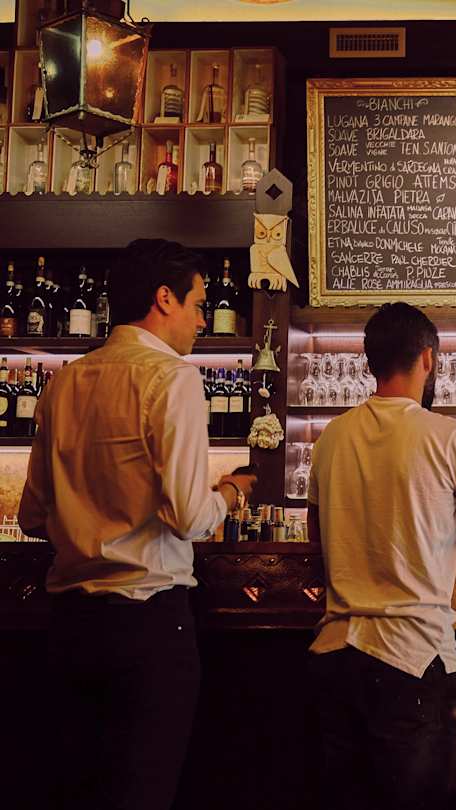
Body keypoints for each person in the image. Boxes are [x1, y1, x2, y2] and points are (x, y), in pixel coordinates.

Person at [18, 238, 257, 810]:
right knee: (142, 791)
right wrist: (230, 492)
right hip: (147, 626)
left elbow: (31, 517)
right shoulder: (173, 379)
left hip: (70, 626)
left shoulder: (62, 383)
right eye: (199, 304)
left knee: (77, 789)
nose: (204, 319)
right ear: (164, 298)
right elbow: (189, 518)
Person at [306, 302, 456, 810]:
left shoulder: (330, 438)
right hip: (411, 660)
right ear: (429, 359)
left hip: (334, 655)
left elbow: (315, 539)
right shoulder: (448, 436)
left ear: (369, 362)